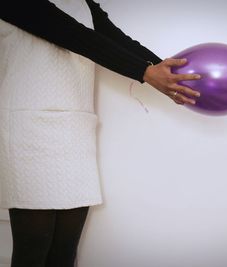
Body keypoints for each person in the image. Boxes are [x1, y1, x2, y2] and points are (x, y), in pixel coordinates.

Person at [0, 0, 201, 266]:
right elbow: (74, 35)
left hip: (76, 129)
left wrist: (170, 73)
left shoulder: (84, 3)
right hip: (27, 130)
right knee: (34, 247)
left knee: (65, 249)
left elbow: (116, 40)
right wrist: (146, 73)